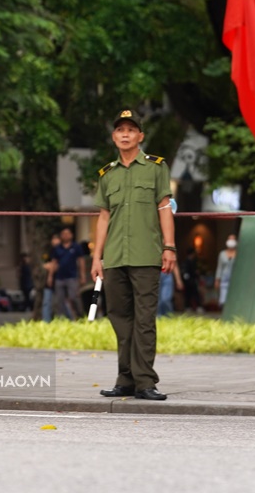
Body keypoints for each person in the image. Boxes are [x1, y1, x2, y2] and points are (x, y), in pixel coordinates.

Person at [91, 109, 176, 402]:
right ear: (114, 137)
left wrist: (169, 247)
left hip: (146, 255)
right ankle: (125, 380)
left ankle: (145, 382)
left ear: (140, 136)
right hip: (114, 258)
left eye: (131, 129)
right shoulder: (107, 174)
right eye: (120, 130)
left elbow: (165, 208)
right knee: (120, 319)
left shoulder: (155, 167)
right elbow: (103, 217)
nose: (125, 134)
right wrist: (96, 257)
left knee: (143, 321)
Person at [51, 227, 86, 320]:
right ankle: (61, 319)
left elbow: (81, 261)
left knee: (74, 298)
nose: (65, 235)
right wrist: (50, 276)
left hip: (72, 277)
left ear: (71, 235)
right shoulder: (57, 248)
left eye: (67, 233)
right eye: (63, 233)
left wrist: (82, 275)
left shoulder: (76, 247)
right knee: (59, 301)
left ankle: (80, 317)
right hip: (59, 277)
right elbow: (54, 262)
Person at [215, 234, 238, 310]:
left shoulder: (238, 253)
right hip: (224, 279)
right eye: (230, 239)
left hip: (235, 279)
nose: (231, 241)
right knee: (223, 300)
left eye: (233, 239)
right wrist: (217, 279)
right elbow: (219, 267)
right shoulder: (222, 254)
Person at [182, 247, 203, 314]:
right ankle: (188, 307)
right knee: (189, 294)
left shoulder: (194, 261)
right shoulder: (186, 262)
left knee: (195, 294)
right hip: (189, 281)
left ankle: (197, 307)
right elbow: (185, 272)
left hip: (193, 280)